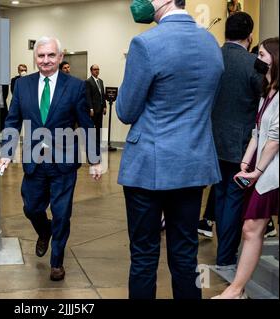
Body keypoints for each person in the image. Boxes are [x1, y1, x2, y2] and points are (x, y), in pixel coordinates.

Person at [117, 0, 224, 299]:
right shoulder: (210, 44)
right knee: (186, 255)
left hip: (148, 166)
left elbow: (125, 110)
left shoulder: (145, 43)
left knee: (143, 255)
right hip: (193, 163)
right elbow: (207, 106)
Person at [0, 36, 102, 281]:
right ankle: (44, 231)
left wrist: (95, 159)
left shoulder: (76, 86)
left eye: (51, 55)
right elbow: (13, 120)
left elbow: (86, 125)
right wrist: (6, 152)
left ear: (60, 57)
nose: (45, 60)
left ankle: (57, 262)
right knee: (32, 207)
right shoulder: (23, 86)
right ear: (35, 58)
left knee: (62, 213)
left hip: (64, 161)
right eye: (41, 56)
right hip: (34, 160)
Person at [213, 37, 279, 299]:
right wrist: (245, 161)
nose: (257, 60)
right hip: (263, 168)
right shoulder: (268, 90)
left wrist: (257, 171)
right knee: (252, 228)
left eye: (262, 55)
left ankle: (236, 289)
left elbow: (274, 139)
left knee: (251, 228)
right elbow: (258, 131)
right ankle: (237, 289)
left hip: (271, 172)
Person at [209, 12, 263, 271]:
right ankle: (226, 256)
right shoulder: (254, 64)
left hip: (209, 140)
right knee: (232, 198)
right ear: (250, 36)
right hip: (240, 144)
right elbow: (263, 101)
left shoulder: (211, 58)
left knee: (219, 195)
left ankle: (223, 250)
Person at [85, 65, 107, 147]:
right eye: (95, 69)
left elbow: (102, 95)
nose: (97, 71)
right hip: (93, 109)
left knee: (99, 127)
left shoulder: (101, 81)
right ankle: (91, 144)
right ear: (91, 71)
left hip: (100, 108)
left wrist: (104, 106)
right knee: (91, 127)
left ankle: (98, 144)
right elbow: (88, 96)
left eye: (98, 69)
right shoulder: (88, 81)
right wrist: (90, 108)